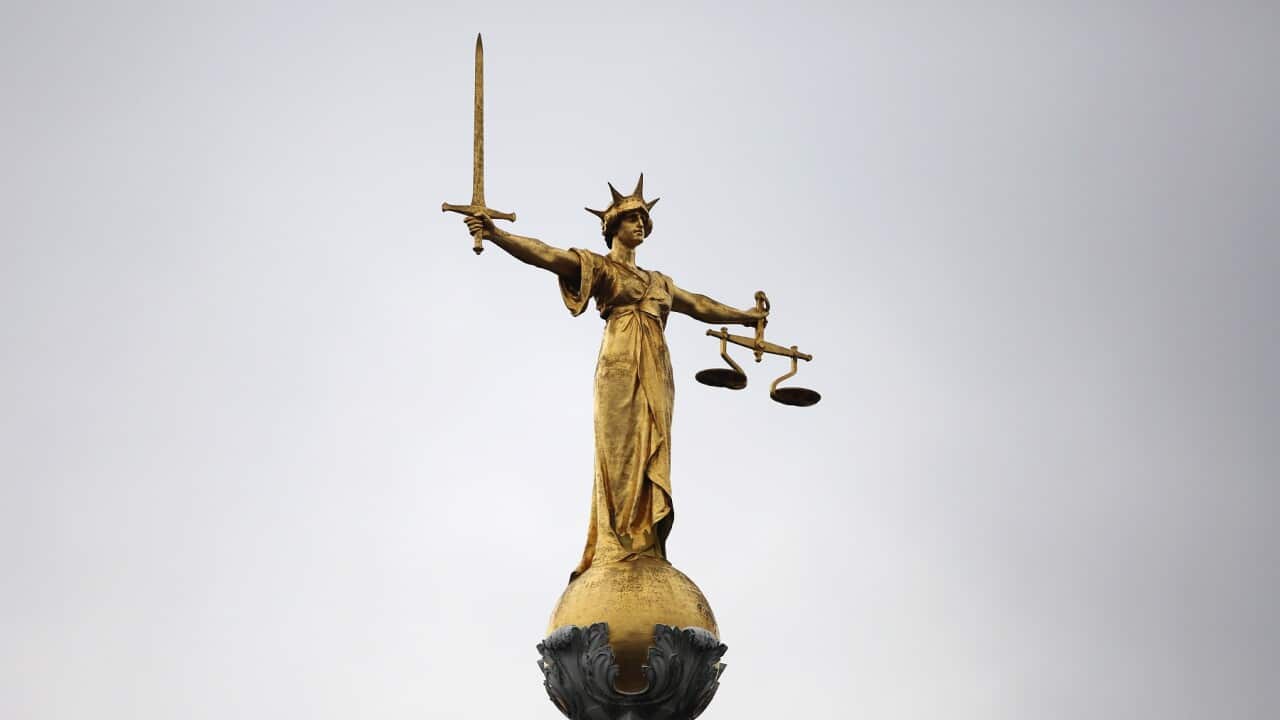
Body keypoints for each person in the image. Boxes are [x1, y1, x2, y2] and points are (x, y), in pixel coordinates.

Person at [464, 175, 765, 580]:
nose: (640, 224)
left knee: (651, 444)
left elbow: (698, 304)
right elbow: (547, 256)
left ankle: (645, 541)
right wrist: (498, 234)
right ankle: (615, 541)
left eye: (644, 219)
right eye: (632, 219)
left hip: (656, 365)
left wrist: (745, 317)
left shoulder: (658, 282)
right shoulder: (600, 267)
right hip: (619, 361)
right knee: (619, 447)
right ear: (613, 228)